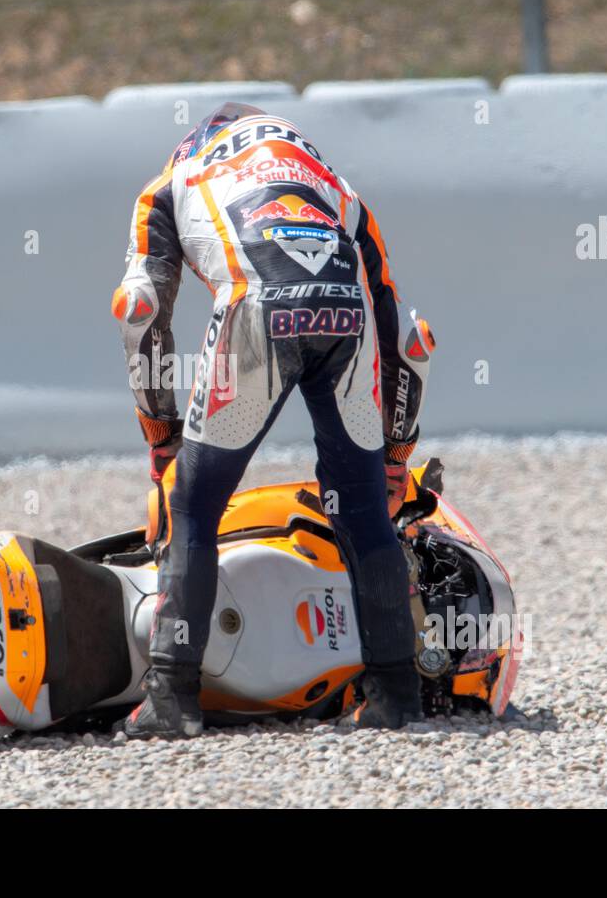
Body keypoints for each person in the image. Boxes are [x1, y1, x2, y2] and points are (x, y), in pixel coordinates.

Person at [111, 103, 434, 737]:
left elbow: (140, 311)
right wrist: (397, 455)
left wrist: (162, 437)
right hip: (349, 318)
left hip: (255, 312)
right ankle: (398, 696)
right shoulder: (331, 181)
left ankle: (172, 698)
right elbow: (405, 331)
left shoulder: (171, 183)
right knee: (364, 514)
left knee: (196, 506)